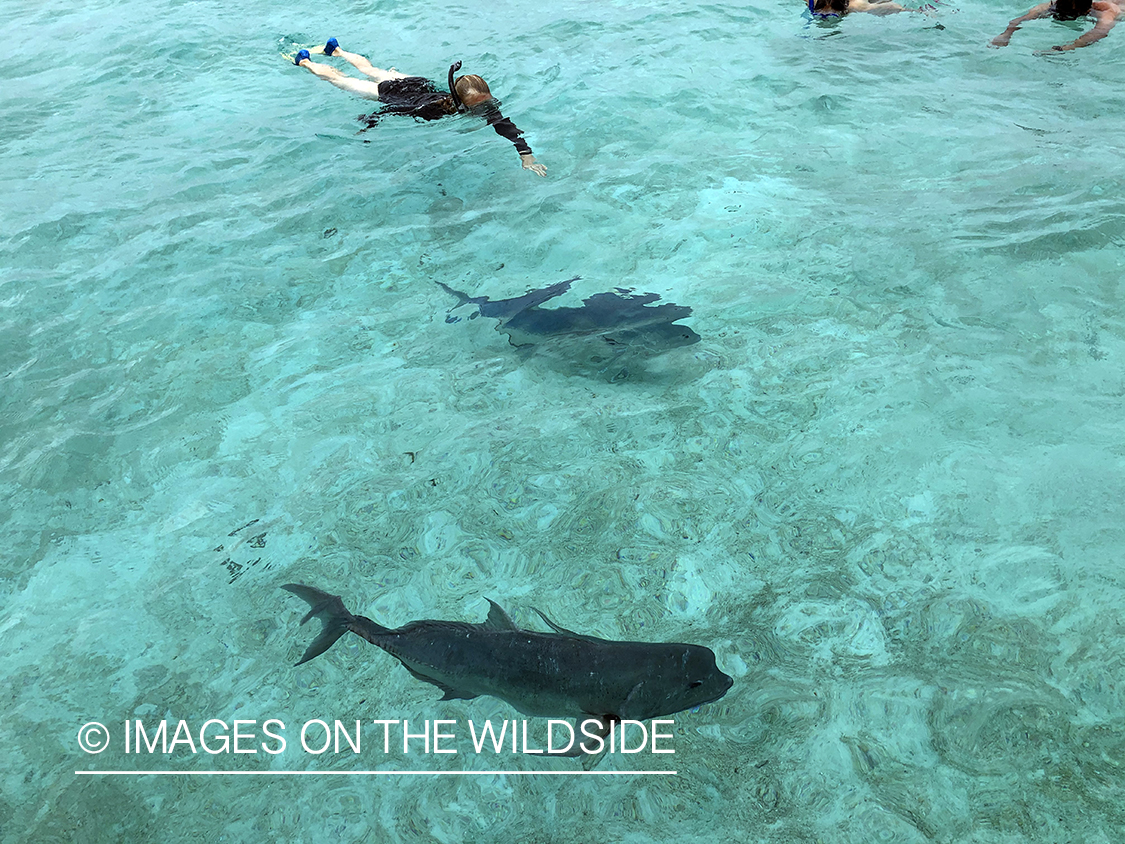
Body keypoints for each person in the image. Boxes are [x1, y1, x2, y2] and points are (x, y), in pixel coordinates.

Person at [293, 39, 546, 176]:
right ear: (458, 101)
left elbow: (506, 127)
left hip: (416, 83)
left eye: (486, 104)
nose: (484, 110)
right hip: (401, 93)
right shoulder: (432, 109)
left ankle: (336, 48)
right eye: (476, 108)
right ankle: (305, 62)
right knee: (343, 81)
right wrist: (369, 121)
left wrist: (526, 156)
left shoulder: (482, 101)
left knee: (371, 70)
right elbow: (395, 109)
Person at [991, 0, 1123, 50]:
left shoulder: (1106, 10)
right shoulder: (1051, 6)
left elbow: (1100, 32)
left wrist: (1066, 48)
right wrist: (1005, 35)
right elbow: (1018, 20)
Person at [808, 0, 916, 16]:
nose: (826, 12)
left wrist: (918, 12)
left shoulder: (857, 6)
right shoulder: (811, 1)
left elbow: (892, 6)